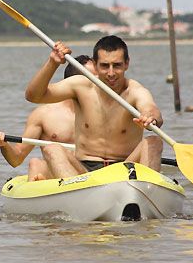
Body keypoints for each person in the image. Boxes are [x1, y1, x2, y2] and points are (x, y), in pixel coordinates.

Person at [18, 35, 163, 179]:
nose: (111, 73)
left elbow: (150, 108)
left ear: (126, 64)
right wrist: (52, 63)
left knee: (154, 142)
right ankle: (77, 194)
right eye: (105, 66)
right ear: (95, 64)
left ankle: (148, 191)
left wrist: (150, 117)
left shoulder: (135, 91)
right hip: (85, 172)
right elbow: (33, 96)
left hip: (125, 167)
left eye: (117, 65)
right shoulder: (80, 85)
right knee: (52, 148)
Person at [0, 55, 96, 181]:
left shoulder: (111, 110)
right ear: (72, 82)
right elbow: (16, 158)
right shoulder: (44, 115)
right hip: (63, 178)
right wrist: (3, 144)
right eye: (92, 79)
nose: (100, 84)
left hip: (96, 175)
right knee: (36, 164)